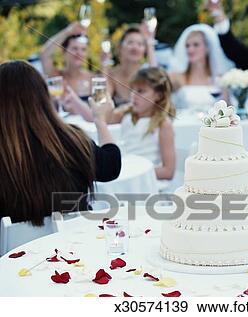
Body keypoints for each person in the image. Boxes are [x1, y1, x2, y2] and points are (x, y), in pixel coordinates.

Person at [0, 60, 121, 226]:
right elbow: (111, 167)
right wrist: (100, 120)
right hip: (73, 244)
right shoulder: (71, 138)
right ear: (43, 96)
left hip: (12, 249)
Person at [74, 67, 175, 180]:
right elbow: (97, 117)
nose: (133, 95)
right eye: (132, 90)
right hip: (126, 171)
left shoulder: (163, 124)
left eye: (141, 91)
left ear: (159, 95)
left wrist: (136, 173)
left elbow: (168, 171)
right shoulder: (126, 113)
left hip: (146, 180)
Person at [150, 23, 234, 110]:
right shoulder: (177, 78)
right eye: (187, 46)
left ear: (207, 48)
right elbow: (154, 81)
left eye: (196, 45)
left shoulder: (220, 80)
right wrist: (150, 44)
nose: (190, 50)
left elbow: (229, 110)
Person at [40, 22, 93, 101]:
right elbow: (44, 54)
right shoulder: (56, 76)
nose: (79, 53)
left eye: (83, 49)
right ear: (63, 51)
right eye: (74, 48)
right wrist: (67, 32)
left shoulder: (92, 78)